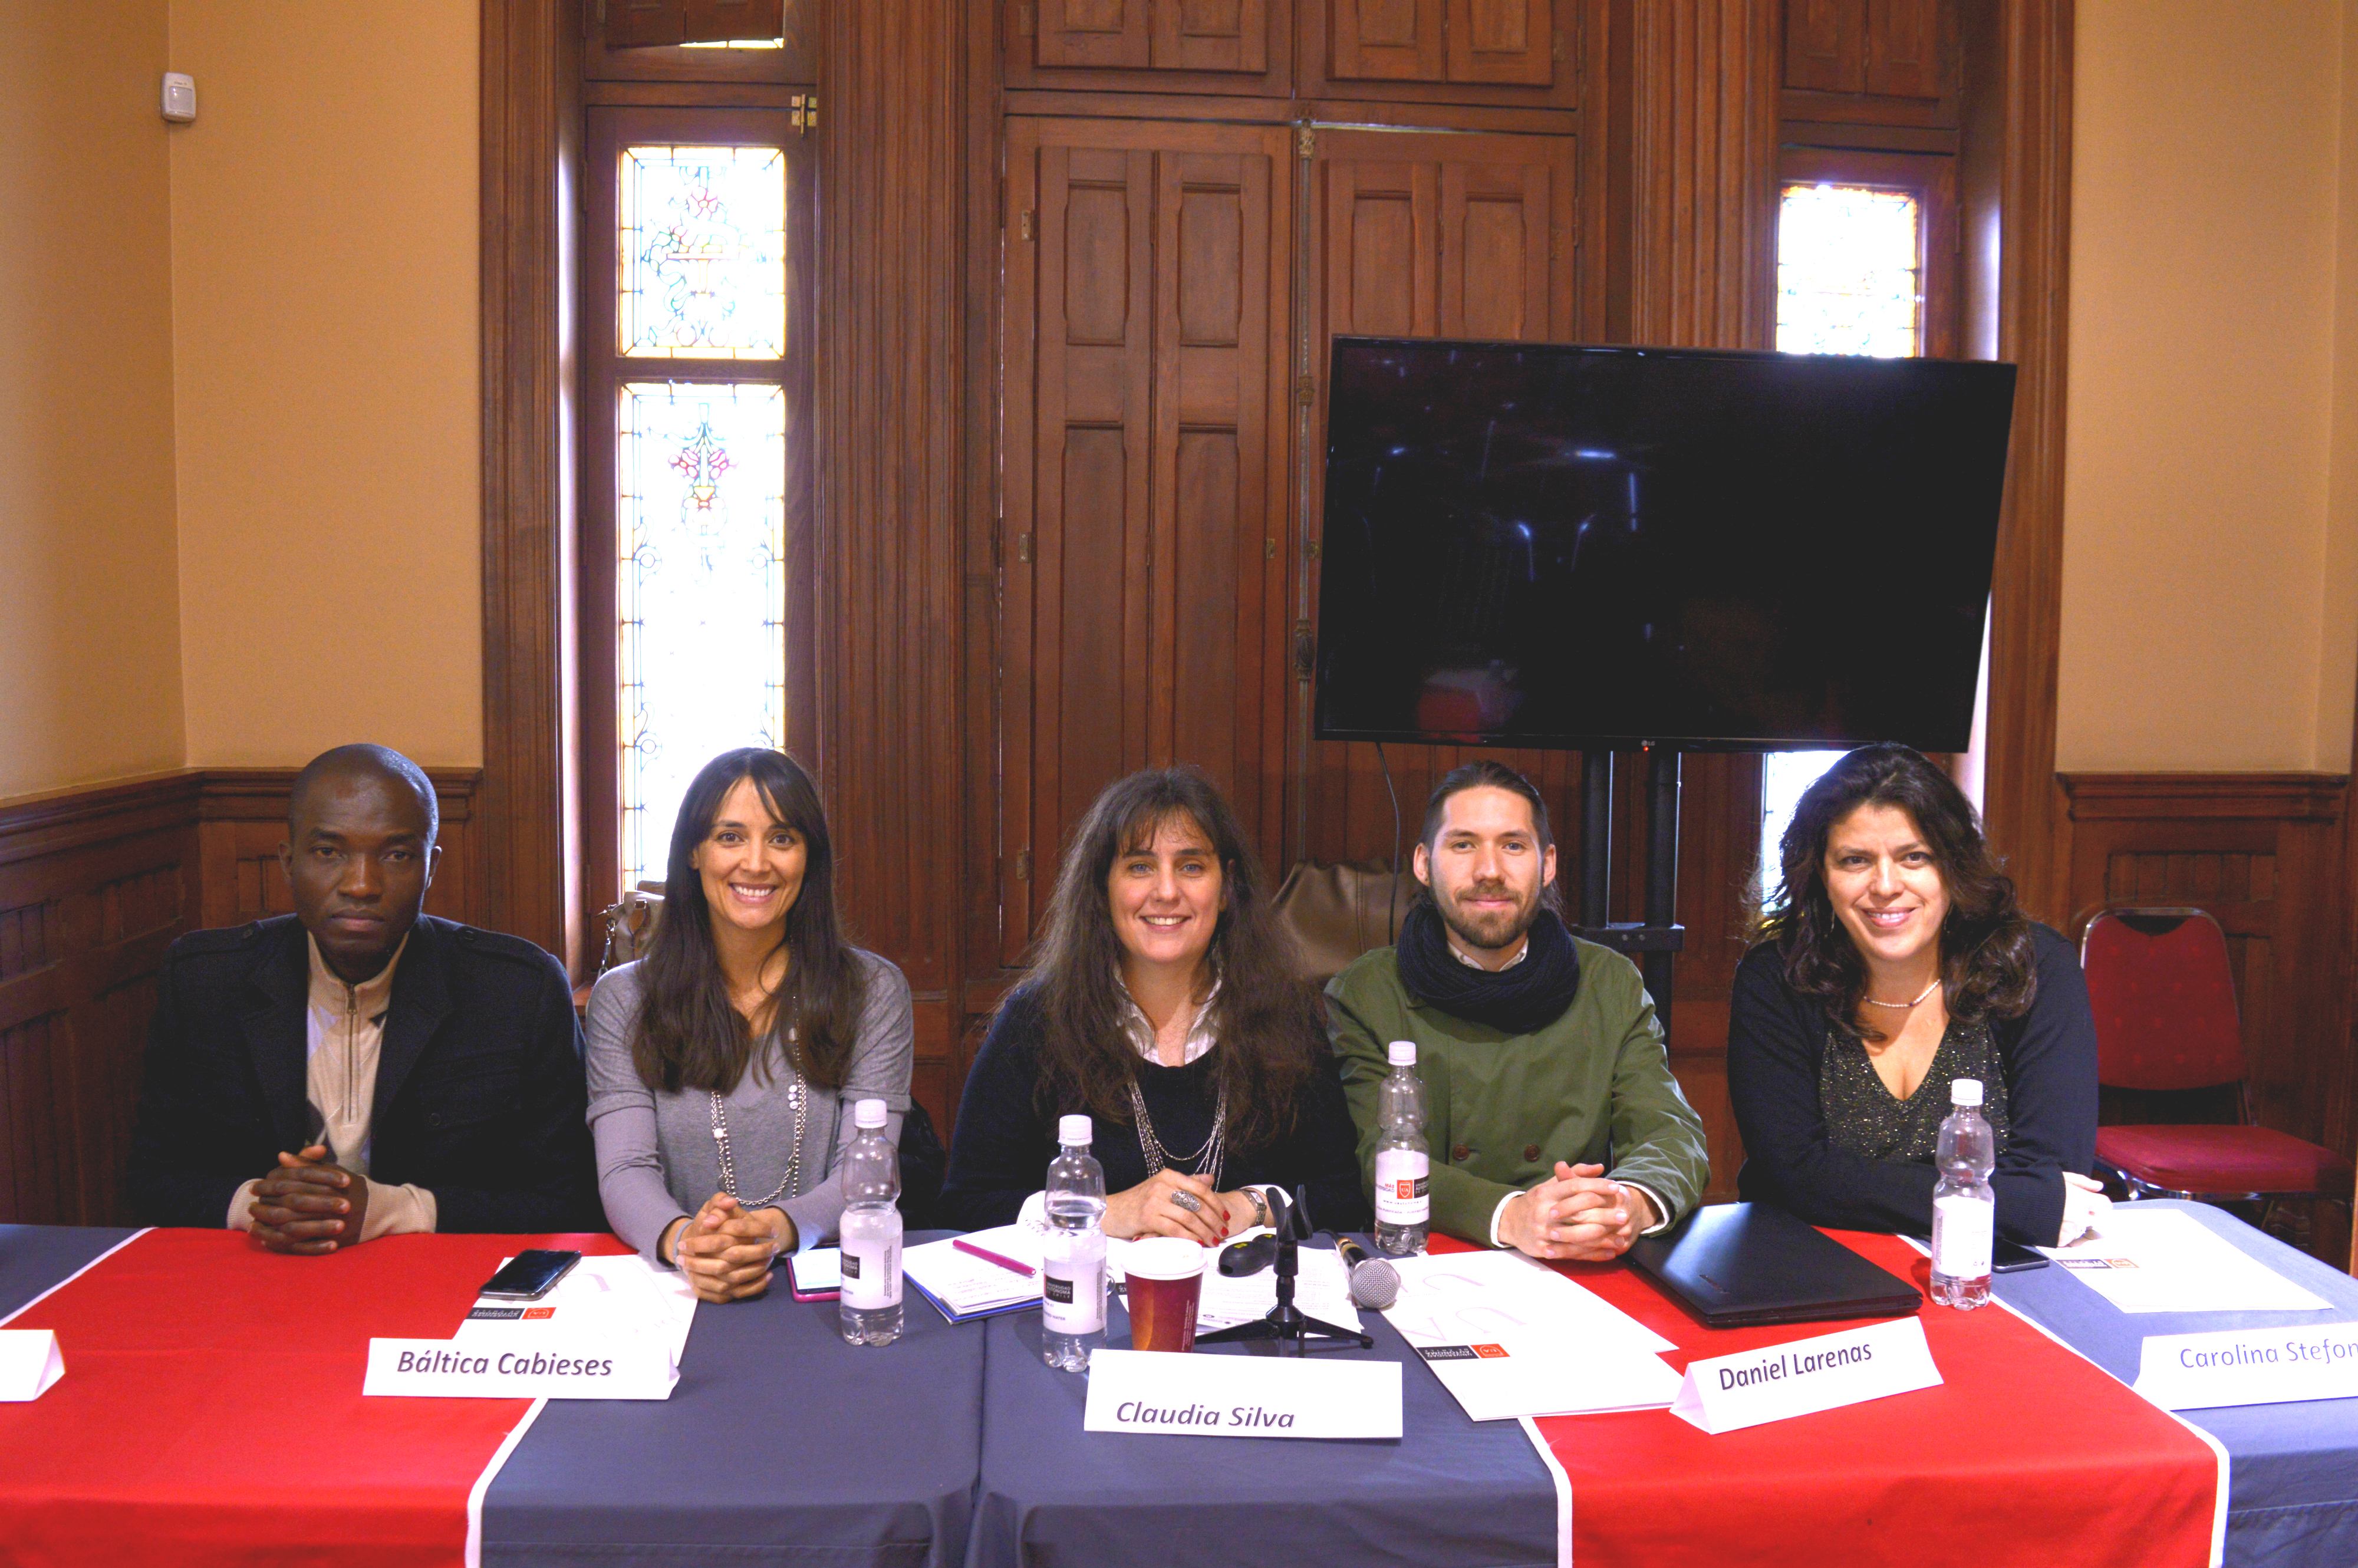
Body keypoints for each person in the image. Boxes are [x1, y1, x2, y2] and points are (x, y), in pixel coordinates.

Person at [126, 744, 602, 1247]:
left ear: (430, 867)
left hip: (436, 1285)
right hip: (255, 1277)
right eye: (329, 852)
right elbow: (152, 1181)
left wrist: (391, 1210)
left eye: (396, 856)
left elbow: (569, 1198)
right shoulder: (204, 981)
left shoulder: (517, 990)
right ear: (288, 863)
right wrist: (260, 1204)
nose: (361, 885)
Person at [940, 767, 1368, 1239]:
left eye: (1190, 866)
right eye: (1140, 867)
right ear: (1104, 889)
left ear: (1225, 889)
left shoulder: (1289, 1017)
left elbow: (1344, 1198)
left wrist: (1247, 1205)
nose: (1166, 892)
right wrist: (1105, 1212)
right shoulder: (1035, 1022)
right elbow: (966, 1206)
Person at [1727, 743, 2106, 1249]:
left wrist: (1849, 1186)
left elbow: (2056, 1172)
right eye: (1855, 860)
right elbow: (1792, 1176)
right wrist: (2014, 1204)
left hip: (1990, 1263)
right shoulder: (1776, 976)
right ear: (1822, 874)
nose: (1886, 886)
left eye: (1915, 857)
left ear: (1953, 864)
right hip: (1809, 1257)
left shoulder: (2037, 966)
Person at [1327, 760, 1708, 1260]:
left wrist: (1625, 1204)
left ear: (1547, 864)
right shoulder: (1368, 993)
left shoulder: (1610, 983)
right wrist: (1513, 1214)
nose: (1489, 871)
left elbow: (1671, 1132)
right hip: (1427, 1265)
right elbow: (1377, 1154)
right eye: (1463, 845)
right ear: (1423, 864)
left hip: (1578, 1261)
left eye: (1512, 845)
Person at [585, 748, 913, 1302]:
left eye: (782, 839)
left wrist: (773, 1231)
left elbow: (866, 1172)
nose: (756, 863)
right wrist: (687, 1242)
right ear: (694, 852)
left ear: (810, 857)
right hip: (679, 1288)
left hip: (823, 1291)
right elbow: (624, 1169)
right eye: (730, 837)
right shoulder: (624, 998)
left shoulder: (873, 991)